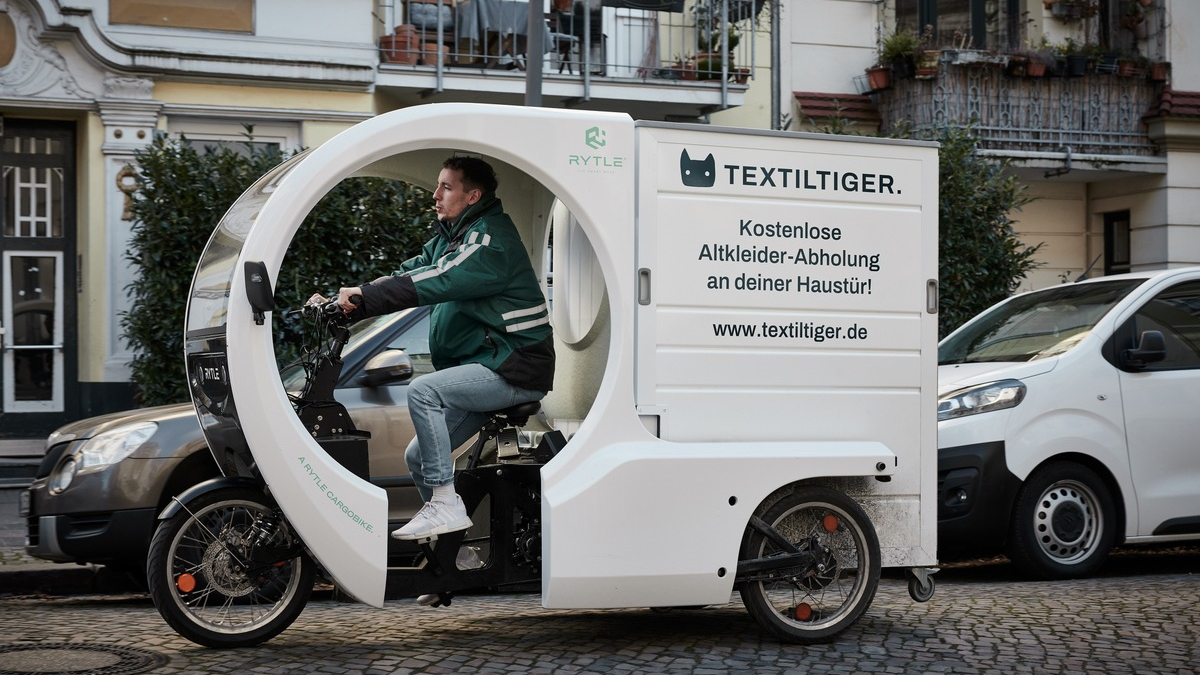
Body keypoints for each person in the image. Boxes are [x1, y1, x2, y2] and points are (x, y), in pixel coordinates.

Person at [325, 156, 554, 541]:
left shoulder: (488, 241)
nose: (435, 195)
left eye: (446, 187)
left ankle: (444, 504)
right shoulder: (455, 237)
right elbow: (410, 273)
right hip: (488, 366)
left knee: (423, 389)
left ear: (472, 196)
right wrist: (351, 302)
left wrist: (366, 294)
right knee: (416, 457)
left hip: (515, 368)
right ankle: (454, 555)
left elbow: (439, 279)